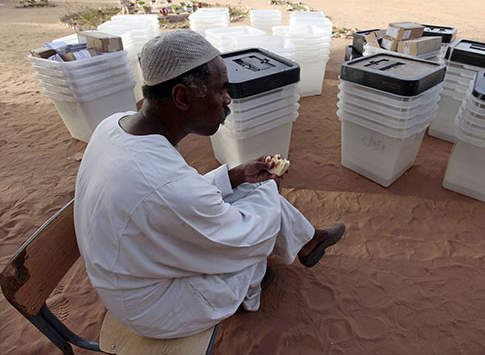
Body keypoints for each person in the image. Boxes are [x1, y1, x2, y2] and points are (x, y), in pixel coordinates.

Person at [74, 30, 345, 339]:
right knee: (255, 233)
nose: (227, 99)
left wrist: (237, 174)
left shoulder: (117, 124)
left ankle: (308, 239)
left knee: (249, 188)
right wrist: (271, 189)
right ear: (182, 97)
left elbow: (172, 194)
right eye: (221, 89)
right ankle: (280, 263)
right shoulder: (164, 185)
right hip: (154, 306)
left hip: (130, 264)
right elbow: (246, 239)